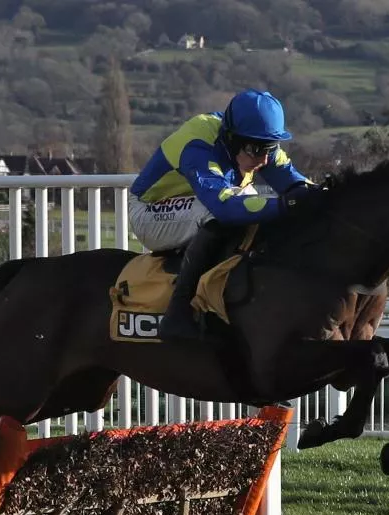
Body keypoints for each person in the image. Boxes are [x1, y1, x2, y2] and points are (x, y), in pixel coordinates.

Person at [129, 89, 319, 340]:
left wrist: (327, 195)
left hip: (198, 202)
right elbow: (224, 207)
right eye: (255, 149)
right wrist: (286, 205)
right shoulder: (197, 144)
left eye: (270, 148)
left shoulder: (255, 142)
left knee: (255, 208)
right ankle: (178, 313)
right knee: (222, 212)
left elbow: (296, 186)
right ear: (231, 138)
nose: (263, 159)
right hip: (149, 210)